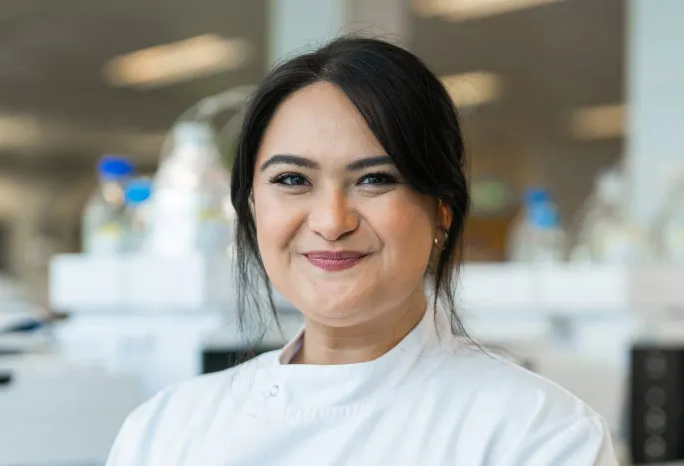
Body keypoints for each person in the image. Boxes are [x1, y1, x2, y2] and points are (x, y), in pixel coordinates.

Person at [106, 36, 618, 465]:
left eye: (374, 179)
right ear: (252, 206)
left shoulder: (538, 435)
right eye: (292, 179)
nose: (332, 221)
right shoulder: (165, 432)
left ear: (441, 207)